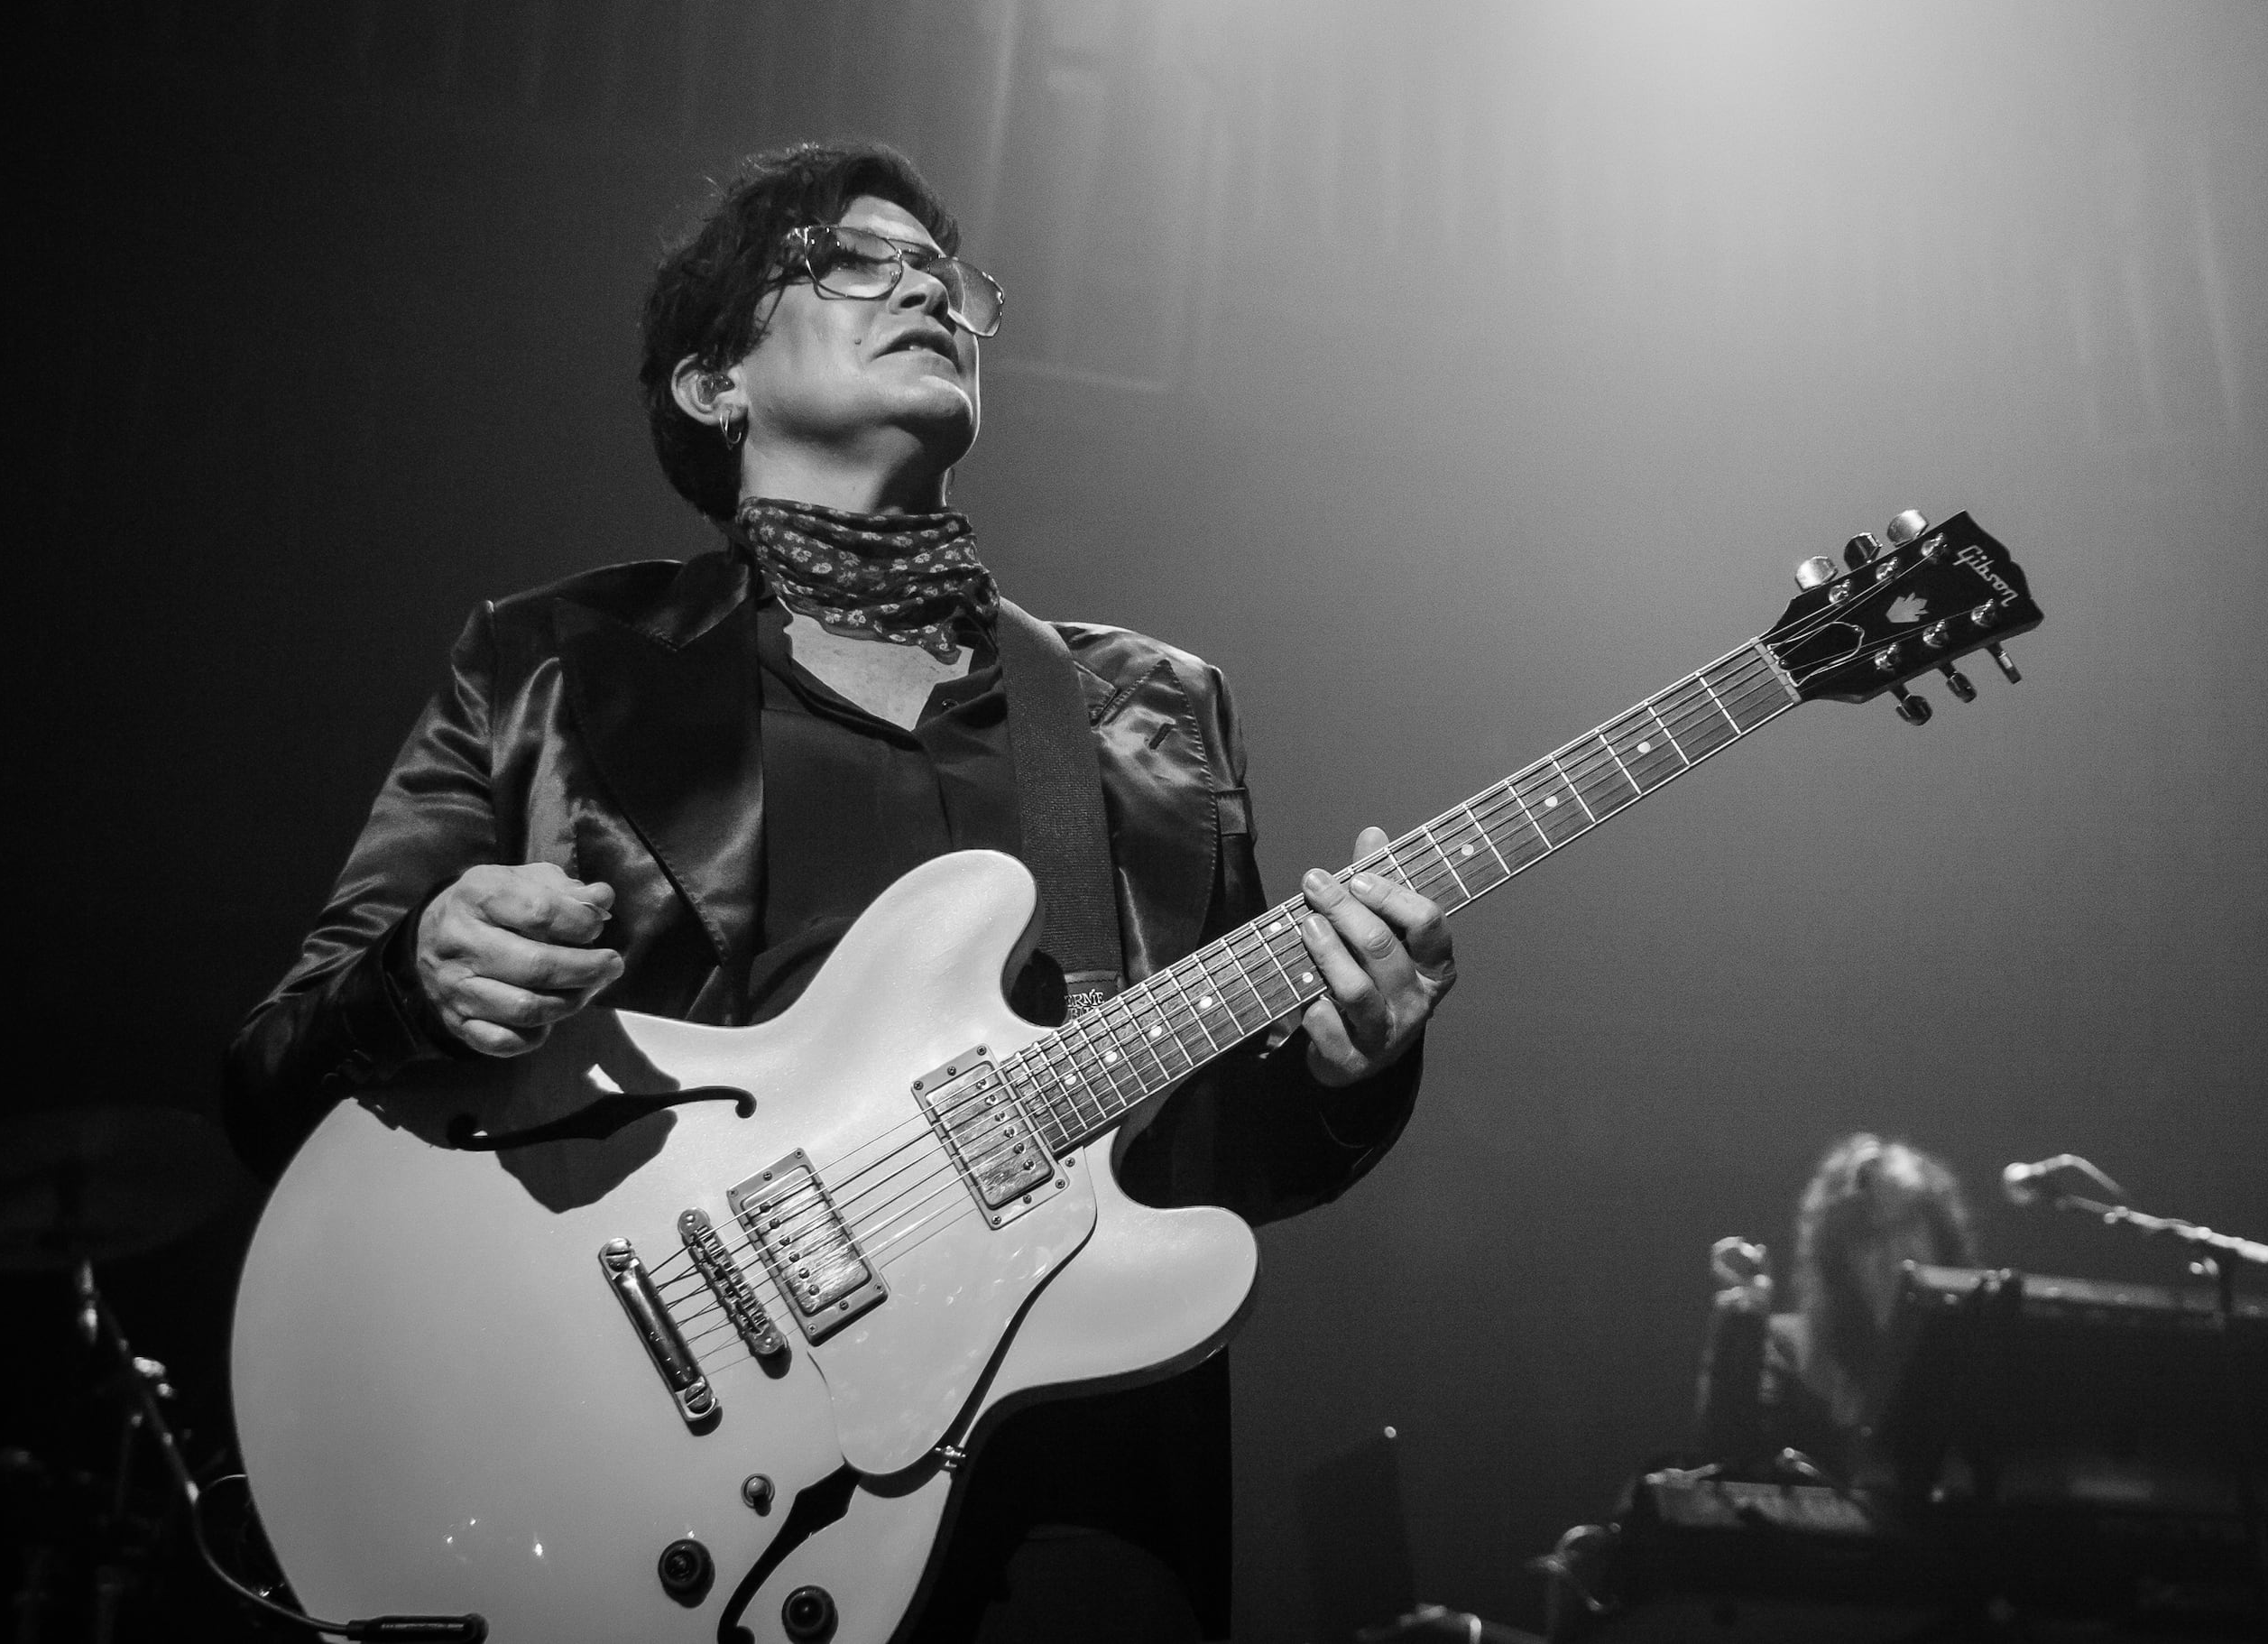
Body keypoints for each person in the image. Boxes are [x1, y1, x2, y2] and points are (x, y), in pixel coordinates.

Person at [222, 140, 1456, 1642]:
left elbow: (1193, 1165)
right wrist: (420, 976)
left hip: (1070, 1517)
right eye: (851, 257)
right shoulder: (552, 666)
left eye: (947, 271)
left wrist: (1349, 1064)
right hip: (655, 1496)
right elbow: (275, 1079)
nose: (927, 281)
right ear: (710, 382)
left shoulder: (1148, 717)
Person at [1697, 1133, 1977, 1484]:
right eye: (1869, 1235)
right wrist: (1744, 1322)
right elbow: (1727, 1471)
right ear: (1838, 1259)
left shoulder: (1983, 1352)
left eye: (1906, 1225)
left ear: (1941, 1235)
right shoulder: (1787, 1350)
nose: (1895, 1255)